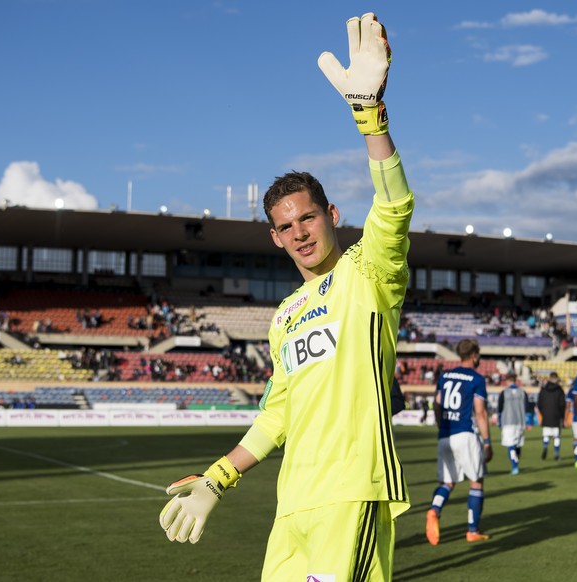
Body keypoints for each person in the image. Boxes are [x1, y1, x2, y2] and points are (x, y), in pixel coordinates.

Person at [159, 13, 414, 581]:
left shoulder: (365, 272)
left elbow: (394, 207)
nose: (300, 231)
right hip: (292, 503)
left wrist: (370, 116)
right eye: (286, 226)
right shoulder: (283, 317)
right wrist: (217, 477)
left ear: (332, 216)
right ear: (274, 237)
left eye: (309, 217)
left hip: (352, 492)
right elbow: (277, 416)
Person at [425, 339, 493, 545]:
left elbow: (437, 404)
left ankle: (434, 509)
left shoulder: (445, 376)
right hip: (465, 434)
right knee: (476, 481)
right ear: (473, 355)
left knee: (447, 482)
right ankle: (472, 530)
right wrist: (488, 442)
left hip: (445, 434)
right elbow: (480, 412)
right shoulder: (477, 378)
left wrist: (441, 426)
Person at [497, 373, 529, 475]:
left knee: (510, 445)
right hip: (520, 422)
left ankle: (515, 466)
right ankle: (516, 462)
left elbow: (499, 408)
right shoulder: (523, 392)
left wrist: (499, 421)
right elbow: (527, 407)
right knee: (518, 445)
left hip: (508, 422)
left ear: (507, 380)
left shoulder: (504, 392)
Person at [536, 371, 566, 461]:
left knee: (546, 434)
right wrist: (562, 415)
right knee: (556, 436)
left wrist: (543, 412)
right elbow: (562, 404)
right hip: (556, 416)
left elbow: (539, 403)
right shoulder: (559, 390)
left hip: (546, 415)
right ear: (556, 379)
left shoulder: (543, 389)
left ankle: (545, 446)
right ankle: (556, 453)